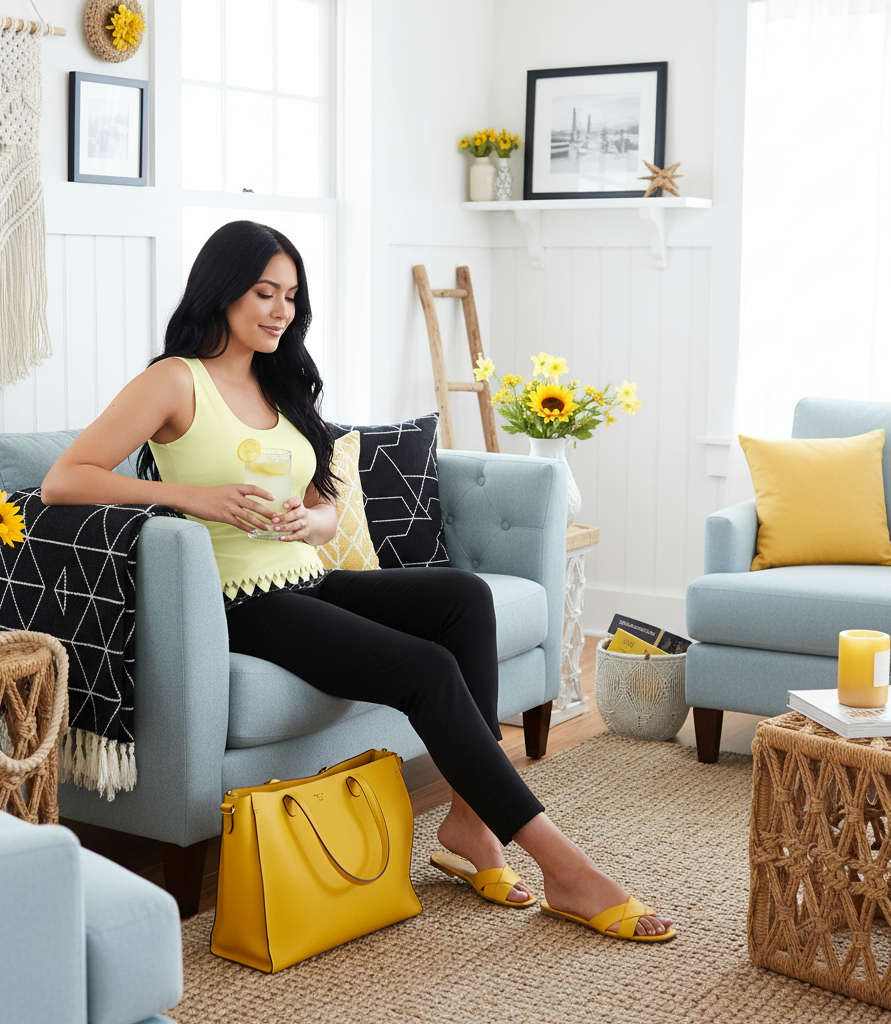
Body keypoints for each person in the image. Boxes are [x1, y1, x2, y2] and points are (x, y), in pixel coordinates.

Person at [42, 220, 675, 942]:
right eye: (263, 293)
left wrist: (314, 523)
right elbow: (66, 480)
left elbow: (321, 500)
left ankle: (468, 824)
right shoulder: (174, 380)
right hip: (238, 602)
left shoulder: (276, 377)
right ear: (221, 291)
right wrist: (192, 498)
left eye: (290, 296)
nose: (280, 310)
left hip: (306, 577)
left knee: (462, 595)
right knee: (425, 670)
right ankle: (564, 867)